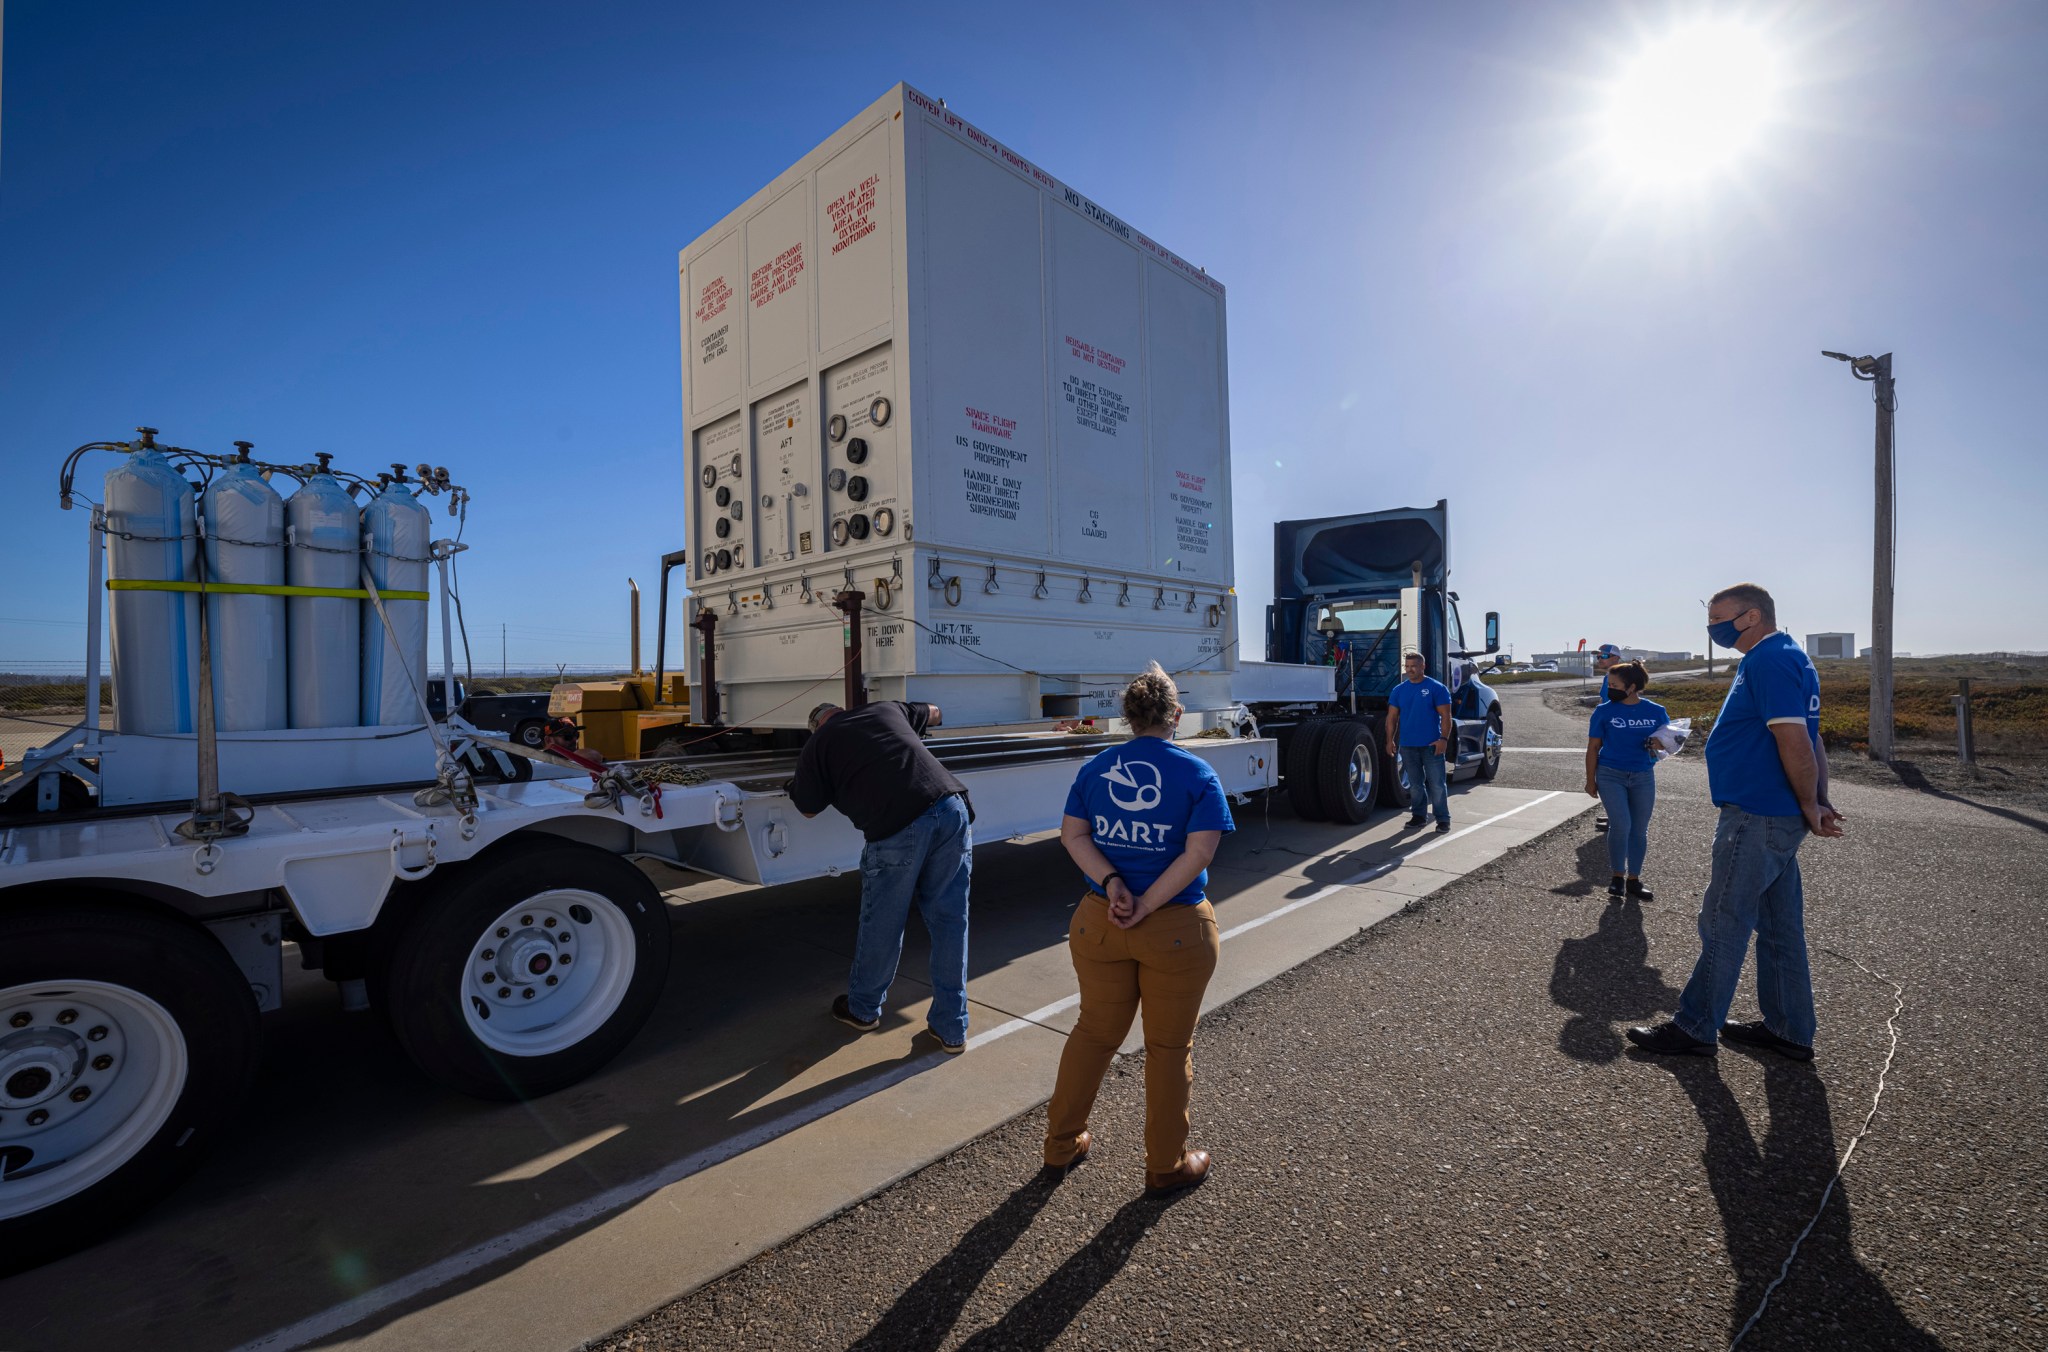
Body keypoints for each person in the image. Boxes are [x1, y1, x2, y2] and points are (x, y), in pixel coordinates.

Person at [1629, 584, 1845, 1061]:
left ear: (1750, 617)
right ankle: (1788, 1029)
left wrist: (1813, 804)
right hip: (1775, 812)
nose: (1712, 629)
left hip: (1757, 814)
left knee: (1724, 920)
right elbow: (1813, 738)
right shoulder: (1787, 656)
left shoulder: (1768, 660)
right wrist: (1817, 800)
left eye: (1718, 618)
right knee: (1779, 927)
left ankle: (1695, 1025)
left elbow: (1795, 740)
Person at [1045, 663, 1232, 1196]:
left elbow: (1072, 835)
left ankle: (1061, 1146)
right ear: (1176, 714)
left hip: (1101, 920)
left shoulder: (1097, 768)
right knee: (1169, 1049)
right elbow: (1199, 853)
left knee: (1093, 1034)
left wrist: (1113, 883)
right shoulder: (1197, 775)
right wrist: (1148, 902)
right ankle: (1165, 1164)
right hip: (1174, 929)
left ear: (1126, 718)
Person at [789, 699, 974, 1054]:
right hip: (951, 807)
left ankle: (863, 1010)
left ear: (816, 726)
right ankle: (952, 1029)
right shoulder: (884, 709)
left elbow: (808, 807)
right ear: (844, 711)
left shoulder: (819, 744)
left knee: (883, 923)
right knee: (951, 921)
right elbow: (936, 710)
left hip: (896, 826)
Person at [1584, 661, 1669, 901]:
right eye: (1608, 684)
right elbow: (1593, 747)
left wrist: (1659, 743)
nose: (1609, 689)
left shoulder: (1655, 711)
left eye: (1614, 685)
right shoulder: (1604, 711)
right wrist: (1590, 780)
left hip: (1643, 775)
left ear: (1631, 687)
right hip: (1610, 774)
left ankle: (1634, 880)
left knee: (1639, 829)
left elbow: (1670, 741)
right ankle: (1617, 877)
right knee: (1621, 825)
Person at [1386, 650, 1453, 832]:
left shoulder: (1437, 688)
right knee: (1415, 785)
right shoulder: (1399, 690)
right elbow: (1392, 718)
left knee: (1437, 785)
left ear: (1423, 666)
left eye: (1413, 666)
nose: (1410, 670)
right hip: (1408, 746)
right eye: (1407, 667)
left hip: (1432, 745)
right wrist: (1389, 740)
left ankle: (1443, 819)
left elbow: (1446, 716)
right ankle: (1418, 817)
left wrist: (1443, 739)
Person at [1590, 644, 1624, 833]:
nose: (1599, 659)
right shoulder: (1608, 677)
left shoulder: (1621, 677)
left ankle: (1618, 819)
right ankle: (1614, 815)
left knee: (1613, 774)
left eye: (1604, 655)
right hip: (1607, 727)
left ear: (1616, 658)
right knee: (1608, 773)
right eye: (1597, 656)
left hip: (1615, 729)